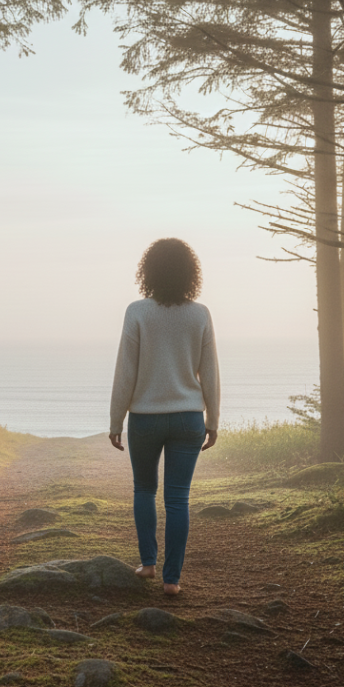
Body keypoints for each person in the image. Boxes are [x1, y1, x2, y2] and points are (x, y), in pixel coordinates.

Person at [108, 238, 220, 596]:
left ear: (149, 271)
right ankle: (172, 581)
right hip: (189, 418)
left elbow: (125, 372)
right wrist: (213, 420)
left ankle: (148, 564)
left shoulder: (137, 312)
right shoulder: (200, 314)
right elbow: (210, 372)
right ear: (190, 273)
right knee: (178, 498)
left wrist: (115, 420)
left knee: (144, 489)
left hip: (145, 418)